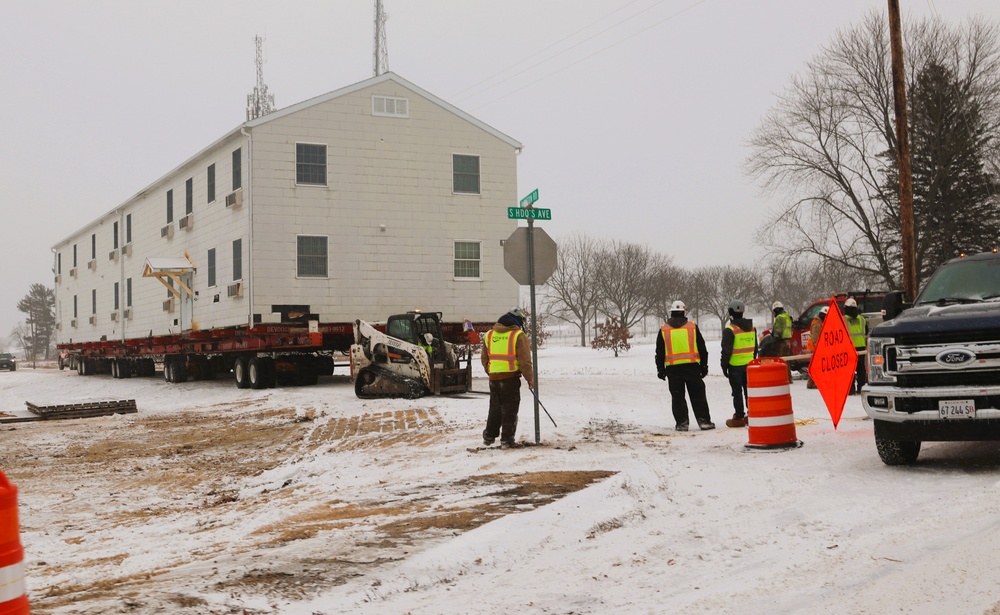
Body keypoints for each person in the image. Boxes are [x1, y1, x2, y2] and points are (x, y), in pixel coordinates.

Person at [655, 300, 714, 431]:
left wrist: (660, 370)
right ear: (684, 312)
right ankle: (704, 421)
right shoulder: (692, 327)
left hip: (673, 369)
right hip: (692, 367)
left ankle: (682, 423)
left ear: (671, 313)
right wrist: (704, 366)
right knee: (698, 396)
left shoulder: (664, 329)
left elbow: (659, 352)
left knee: (677, 397)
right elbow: (702, 348)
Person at [481, 307, 534, 448]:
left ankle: (489, 436)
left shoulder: (489, 335)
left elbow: (484, 358)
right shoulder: (518, 335)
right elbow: (524, 360)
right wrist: (530, 378)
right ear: (517, 321)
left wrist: (491, 371)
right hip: (510, 378)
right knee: (509, 409)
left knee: (495, 408)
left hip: (494, 379)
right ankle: (507, 440)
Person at [721, 300, 757, 428]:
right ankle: (752, 414)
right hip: (749, 365)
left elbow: (726, 351)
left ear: (730, 312)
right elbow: (755, 348)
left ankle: (739, 417)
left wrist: (724, 366)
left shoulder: (730, 330)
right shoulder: (752, 328)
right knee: (749, 391)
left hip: (735, 366)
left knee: (737, 392)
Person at [843, 297, 868, 394]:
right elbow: (866, 332)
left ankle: (850, 390)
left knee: (850, 369)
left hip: (849, 347)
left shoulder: (843, 319)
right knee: (861, 369)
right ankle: (861, 388)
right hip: (861, 347)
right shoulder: (862, 319)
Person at [805, 306, 828, 389]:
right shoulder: (817, 324)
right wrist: (820, 349)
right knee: (816, 367)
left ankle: (811, 384)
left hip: (816, 348)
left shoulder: (819, 322)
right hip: (816, 348)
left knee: (815, 366)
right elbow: (816, 339)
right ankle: (812, 383)